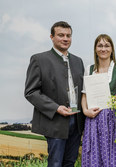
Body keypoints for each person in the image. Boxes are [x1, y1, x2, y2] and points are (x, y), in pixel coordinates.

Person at [24, 21, 85, 167]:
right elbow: (31, 92)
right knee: (56, 163)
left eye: (68, 36)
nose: (65, 39)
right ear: (52, 37)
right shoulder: (39, 59)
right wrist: (56, 108)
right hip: (55, 122)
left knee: (70, 163)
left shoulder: (78, 61)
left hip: (76, 122)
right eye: (61, 35)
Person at [81, 34, 116, 167]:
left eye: (106, 45)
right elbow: (85, 95)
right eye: (100, 45)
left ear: (112, 49)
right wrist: (86, 111)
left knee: (113, 157)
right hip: (93, 119)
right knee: (94, 155)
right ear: (95, 49)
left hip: (113, 121)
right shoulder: (89, 69)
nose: (103, 49)